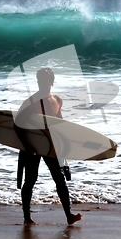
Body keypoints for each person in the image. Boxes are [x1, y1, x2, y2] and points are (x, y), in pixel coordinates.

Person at [14, 67, 82, 225]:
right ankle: (26, 217)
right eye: (38, 81)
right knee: (30, 180)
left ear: (51, 81)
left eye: (43, 81)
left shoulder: (57, 100)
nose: (40, 84)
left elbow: (58, 124)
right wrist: (27, 146)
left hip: (49, 144)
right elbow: (17, 125)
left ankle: (69, 215)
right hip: (32, 146)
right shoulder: (31, 101)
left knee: (59, 179)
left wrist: (64, 144)